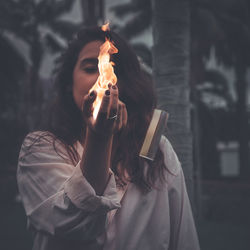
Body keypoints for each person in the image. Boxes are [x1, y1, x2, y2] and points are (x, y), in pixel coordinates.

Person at [17, 26, 200, 250]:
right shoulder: (41, 147)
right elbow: (76, 225)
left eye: (113, 71)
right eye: (90, 68)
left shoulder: (155, 145)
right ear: (68, 84)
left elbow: (183, 237)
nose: (103, 80)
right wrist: (99, 136)